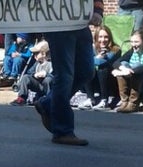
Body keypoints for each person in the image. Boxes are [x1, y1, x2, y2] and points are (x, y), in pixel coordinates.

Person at [33, 0, 104, 146]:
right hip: (58, 24)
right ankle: (62, 131)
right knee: (64, 76)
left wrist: (97, 11)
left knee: (86, 71)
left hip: (80, 23)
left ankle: (48, 103)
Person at [78, 25, 122, 111]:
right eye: (100, 37)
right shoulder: (92, 48)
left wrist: (94, 59)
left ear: (110, 38)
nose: (103, 40)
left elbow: (102, 62)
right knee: (87, 68)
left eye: (106, 37)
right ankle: (90, 99)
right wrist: (97, 57)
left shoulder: (115, 49)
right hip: (96, 82)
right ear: (96, 37)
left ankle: (104, 101)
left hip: (110, 81)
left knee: (102, 68)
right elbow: (82, 61)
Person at [9, 40, 52, 106]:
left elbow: (57, 76)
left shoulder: (51, 63)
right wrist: (34, 74)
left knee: (48, 79)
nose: (34, 55)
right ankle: (22, 98)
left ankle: (49, 100)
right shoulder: (37, 63)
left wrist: (46, 74)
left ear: (43, 54)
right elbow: (29, 72)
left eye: (36, 53)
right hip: (39, 85)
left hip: (49, 87)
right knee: (26, 77)